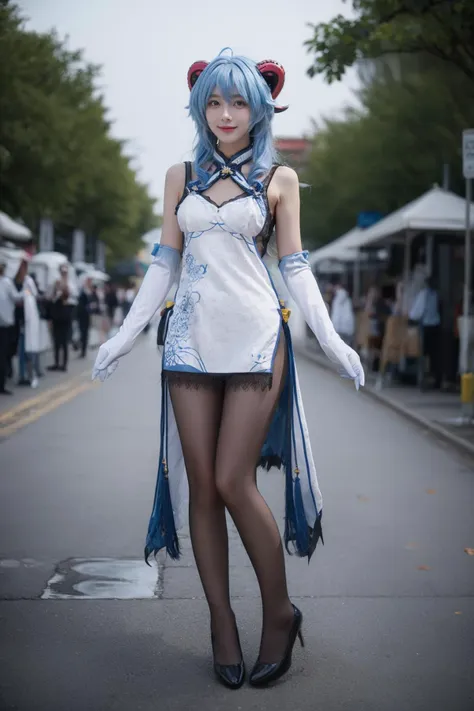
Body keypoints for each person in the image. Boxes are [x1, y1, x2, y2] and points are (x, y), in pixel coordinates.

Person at [92, 50, 364, 689]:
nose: (225, 114)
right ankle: (220, 621)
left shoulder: (280, 178)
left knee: (233, 480)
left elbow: (295, 268)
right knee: (204, 488)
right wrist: (125, 335)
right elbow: (163, 263)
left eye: (238, 102)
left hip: (254, 339)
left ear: (261, 107)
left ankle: (278, 614)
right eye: (213, 102)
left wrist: (331, 337)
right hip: (187, 340)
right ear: (199, 106)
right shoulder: (179, 174)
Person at [409, 276, 442, 388]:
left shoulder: (424, 294)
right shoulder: (436, 295)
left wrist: (411, 318)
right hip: (436, 326)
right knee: (435, 354)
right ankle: (436, 379)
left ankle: (423, 379)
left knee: (424, 354)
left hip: (427, 326)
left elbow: (416, 312)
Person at [48, 263, 78, 372]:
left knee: (64, 341)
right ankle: (56, 362)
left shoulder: (71, 284)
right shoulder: (56, 282)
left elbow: (73, 297)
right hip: (57, 314)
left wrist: (66, 290)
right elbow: (52, 298)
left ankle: (64, 364)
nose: (63, 274)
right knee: (56, 340)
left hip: (66, 314)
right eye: (62, 272)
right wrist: (57, 290)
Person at [0, 257, 23, 395]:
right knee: (3, 356)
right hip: (5, 326)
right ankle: (1, 385)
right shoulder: (7, 283)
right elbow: (17, 298)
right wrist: (26, 292)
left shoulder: (6, 283)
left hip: (5, 325)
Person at [330, 278, 355, 347]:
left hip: (340, 326)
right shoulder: (347, 297)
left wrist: (333, 326)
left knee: (341, 346)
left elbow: (336, 314)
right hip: (347, 326)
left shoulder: (339, 296)